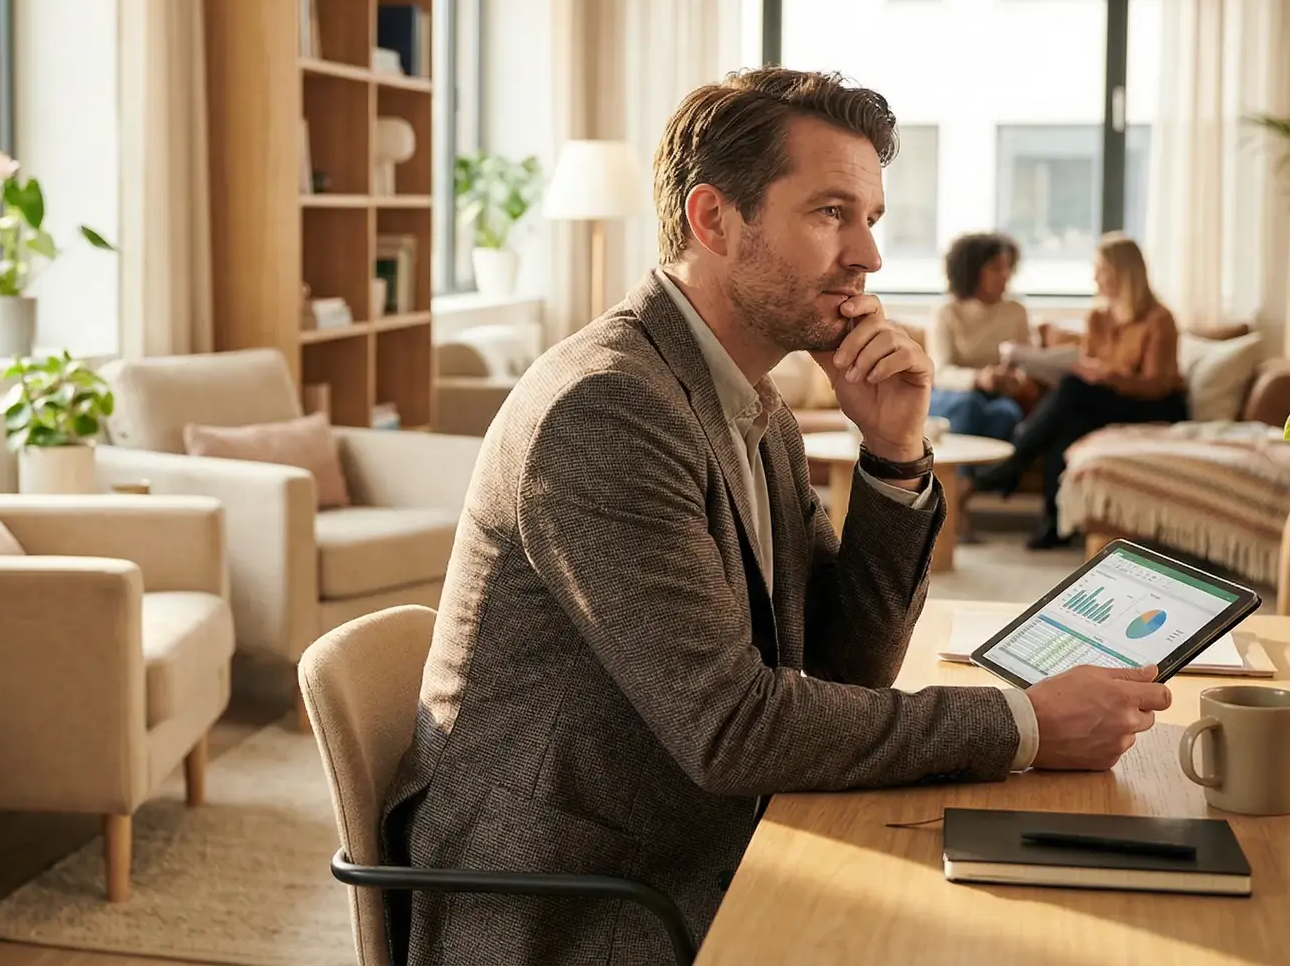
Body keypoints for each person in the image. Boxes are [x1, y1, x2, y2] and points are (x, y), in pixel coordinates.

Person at [379, 68, 1172, 965]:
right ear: (714, 220)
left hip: (700, 832)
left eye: (870, 217)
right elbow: (732, 728)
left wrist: (892, 455)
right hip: (582, 898)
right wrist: (1023, 724)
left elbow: (844, 668)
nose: (869, 254)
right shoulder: (605, 409)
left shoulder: (751, 402)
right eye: (831, 212)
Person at [971, 234, 1189, 549]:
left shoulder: (1159, 319)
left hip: (1156, 404)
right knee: (1069, 424)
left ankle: (1013, 463)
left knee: (1073, 390)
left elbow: (1157, 384)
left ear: (1122, 273)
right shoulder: (1098, 317)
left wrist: (1110, 375)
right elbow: (1087, 363)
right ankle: (1055, 524)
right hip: (1107, 400)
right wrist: (1093, 372)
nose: (1094, 277)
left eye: (1100, 269)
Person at [926, 232, 1038, 440]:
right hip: (950, 393)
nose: (1005, 275)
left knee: (1006, 413)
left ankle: (988, 474)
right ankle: (960, 472)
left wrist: (1014, 379)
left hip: (995, 395)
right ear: (972, 271)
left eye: (1008, 267)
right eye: (996, 268)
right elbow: (939, 373)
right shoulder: (947, 312)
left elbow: (1030, 362)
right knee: (968, 405)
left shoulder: (1016, 311)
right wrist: (979, 379)